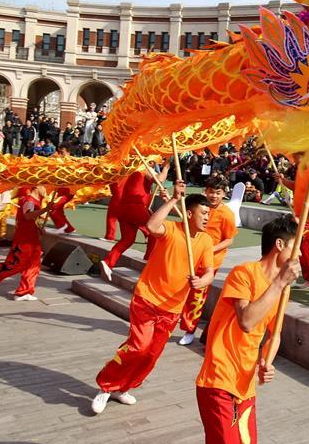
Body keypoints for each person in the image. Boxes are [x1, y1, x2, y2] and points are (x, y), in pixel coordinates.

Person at [153, 217, 300, 444]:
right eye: (295, 246)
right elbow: (247, 320)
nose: (299, 255)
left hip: (245, 387)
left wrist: (267, 362)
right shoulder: (244, 273)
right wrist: (278, 283)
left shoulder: (282, 290)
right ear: (279, 245)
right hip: (219, 383)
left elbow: (273, 334)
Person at [91, 187, 214, 414]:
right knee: (138, 347)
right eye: (203, 212)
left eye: (208, 213)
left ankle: (124, 387)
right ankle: (106, 386)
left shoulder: (206, 241)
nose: (207, 217)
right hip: (147, 299)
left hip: (172, 308)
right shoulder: (171, 229)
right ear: (189, 214)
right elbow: (151, 226)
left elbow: (209, 271)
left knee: (151, 355)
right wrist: (174, 199)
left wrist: (202, 282)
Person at [178, 176, 238, 346]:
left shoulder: (227, 215)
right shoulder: (201, 207)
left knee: (198, 296)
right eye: (211, 192)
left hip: (211, 261)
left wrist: (209, 249)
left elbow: (229, 240)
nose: (213, 196)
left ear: (224, 194)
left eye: (218, 193)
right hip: (192, 255)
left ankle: (189, 329)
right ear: (206, 191)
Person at [0, 186, 53, 301]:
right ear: (36, 187)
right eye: (44, 187)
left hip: (32, 239)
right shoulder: (28, 200)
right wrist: (45, 209)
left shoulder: (35, 201)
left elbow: (32, 219)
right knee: (16, 263)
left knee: (34, 265)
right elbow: (27, 216)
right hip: (24, 239)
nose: (46, 190)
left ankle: (24, 292)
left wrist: (38, 228)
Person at [100, 160, 170, 279]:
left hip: (124, 208)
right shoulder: (143, 167)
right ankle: (148, 260)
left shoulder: (133, 168)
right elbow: (160, 179)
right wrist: (166, 168)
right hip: (135, 206)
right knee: (155, 230)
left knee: (128, 239)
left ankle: (108, 261)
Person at [276, 152, 309, 290]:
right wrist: (283, 180)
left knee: (297, 242)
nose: (295, 160)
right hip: (301, 216)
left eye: (297, 157)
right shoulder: (301, 169)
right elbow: (297, 187)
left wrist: (303, 218)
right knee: (298, 243)